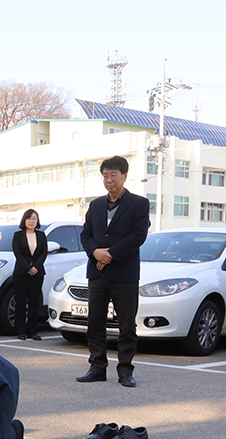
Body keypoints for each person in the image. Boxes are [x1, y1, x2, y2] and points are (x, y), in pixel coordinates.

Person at [77, 155, 150, 387]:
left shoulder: (139, 203)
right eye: (105, 176)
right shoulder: (96, 205)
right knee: (94, 323)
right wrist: (96, 252)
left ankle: (125, 371)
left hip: (125, 274)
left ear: (124, 177)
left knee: (127, 325)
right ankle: (97, 367)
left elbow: (138, 236)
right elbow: (85, 235)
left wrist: (110, 254)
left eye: (113, 175)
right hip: (97, 274)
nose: (109, 180)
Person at [11, 208, 47, 341]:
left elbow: (44, 253)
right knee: (20, 302)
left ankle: (33, 331)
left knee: (34, 302)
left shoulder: (42, 235)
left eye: (34, 218)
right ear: (24, 220)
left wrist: (35, 267)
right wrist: (28, 268)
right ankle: (20, 331)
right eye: (29, 218)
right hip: (21, 273)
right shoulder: (17, 235)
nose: (31, 221)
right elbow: (18, 253)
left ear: (37, 221)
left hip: (37, 273)